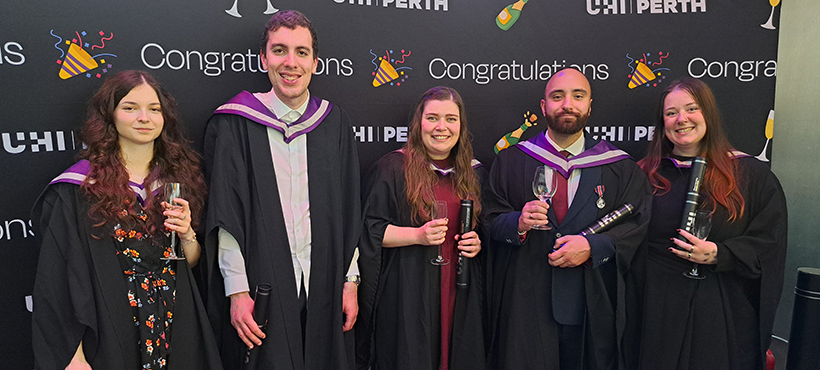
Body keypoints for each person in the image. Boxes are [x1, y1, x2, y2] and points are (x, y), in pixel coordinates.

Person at [202, 10, 360, 370]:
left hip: (324, 278)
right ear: (263, 58)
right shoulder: (235, 123)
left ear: (315, 62)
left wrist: (350, 281)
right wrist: (237, 290)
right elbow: (226, 214)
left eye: (301, 52)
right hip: (261, 280)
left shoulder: (334, 123)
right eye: (280, 50)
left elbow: (350, 209)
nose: (291, 63)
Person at [31, 70, 221, 370]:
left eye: (154, 109)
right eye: (130, 107)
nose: (144, 117)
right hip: (112, 327)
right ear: (111, 115)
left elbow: (192, 264)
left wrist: (186, 236)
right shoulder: (79, 189)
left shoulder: (179, 181)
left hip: (175, 323)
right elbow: (59, 280)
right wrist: (73, 356)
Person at [483, 68, 652, 370]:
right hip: (526, 303)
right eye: (557, 97)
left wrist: (594, 247)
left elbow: (635, 223)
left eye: (578, 96)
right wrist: (517, 224)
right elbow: (489, 218)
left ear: (590, 105)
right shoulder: (511, 161)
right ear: (543, 106)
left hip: (591, 303)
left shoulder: (620, 167)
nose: (567, 104)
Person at [621, 78, 788, 370]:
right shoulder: (643, 175)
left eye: (691, 109)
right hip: (655, 310)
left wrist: (719, 254)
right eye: (671, 113)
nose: (681, 119)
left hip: (719, 310)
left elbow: (769, 244)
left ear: (708, 114)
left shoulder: (750, 176)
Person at [356, 87, 487, 370]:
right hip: (408, 289)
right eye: (433, 118)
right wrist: (416, 235)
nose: (442, 127)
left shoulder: (473, 173)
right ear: (419, 124)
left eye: (451, 119)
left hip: (459, 288)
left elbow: (486, 230)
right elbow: (369, 231)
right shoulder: (392, 168)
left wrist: (477, 243)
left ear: (461, 126)